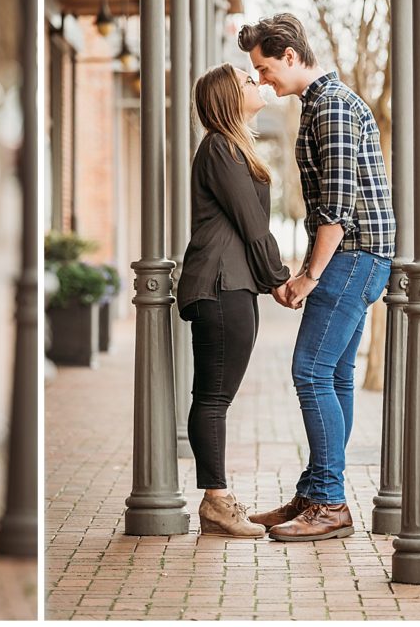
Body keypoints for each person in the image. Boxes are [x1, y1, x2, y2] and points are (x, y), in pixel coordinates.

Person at [239, 13, 395, 542]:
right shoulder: (323, 104)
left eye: (264, 67)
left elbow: (336, 207)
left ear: (289, 54)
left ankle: (329, 501)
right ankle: (316, 491)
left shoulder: (330, 107)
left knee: (310, 372)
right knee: (335, 376)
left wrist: (308, 275)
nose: (261, 79)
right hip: (362, 256)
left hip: (353, 256)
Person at [177, 63, 291, 538]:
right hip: (221, 285)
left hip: (232, 284)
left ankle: (217, 497)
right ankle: (217, 501)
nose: (258, 83)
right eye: (248, 81)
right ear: (228, 97)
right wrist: (280, 279)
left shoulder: (233, 146)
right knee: (213, 397)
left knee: (214, 395)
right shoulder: (222, 148)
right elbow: (252, 223)